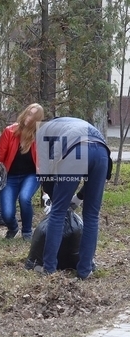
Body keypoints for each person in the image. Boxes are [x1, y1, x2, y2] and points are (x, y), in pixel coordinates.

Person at [36, 117, 112, 279]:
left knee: (58, 213)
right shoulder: (75, 123)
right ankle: (85, 270)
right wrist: (78, 197)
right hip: (102, 152)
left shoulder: (43, 131)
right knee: (91, 216)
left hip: (76, 150)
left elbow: (45, 173)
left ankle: (49, 268)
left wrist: (54, 199)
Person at [0, 103, 44, 241]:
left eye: (33, 116)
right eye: (28, 113)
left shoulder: (39, 135)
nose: (29, 118)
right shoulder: (9, 132)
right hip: (10, 177)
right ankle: (12, 227)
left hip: (31, 175)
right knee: (6, 213)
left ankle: (27, 232)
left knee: (24, 198)